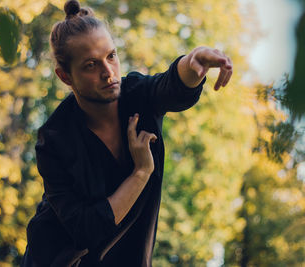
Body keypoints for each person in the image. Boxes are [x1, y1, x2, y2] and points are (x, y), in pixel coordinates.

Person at [22, 0, 232, 266]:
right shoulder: (53, 140)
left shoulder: (138, 96)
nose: (108, 72)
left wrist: (194, 61)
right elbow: (87, 230)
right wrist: (140, 173)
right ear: (65, 77)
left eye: (111, 56)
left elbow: (172, 86)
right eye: (90, 65)